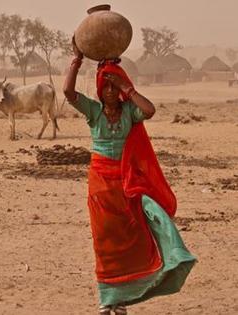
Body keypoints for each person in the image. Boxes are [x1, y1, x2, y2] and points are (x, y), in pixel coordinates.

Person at [63, 38, 196, 315]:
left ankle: (122, 298)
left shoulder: (129, 112)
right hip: (100, 185)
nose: (110, 91)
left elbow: (149, 110)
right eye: (106, 85)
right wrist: (77, 60)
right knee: (105, 241)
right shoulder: (93, 111)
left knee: (131, 238)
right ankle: (107, 298)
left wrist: (128, 88)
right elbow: (68, 91)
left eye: (114, 86)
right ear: (100, 89)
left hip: (127, 183)